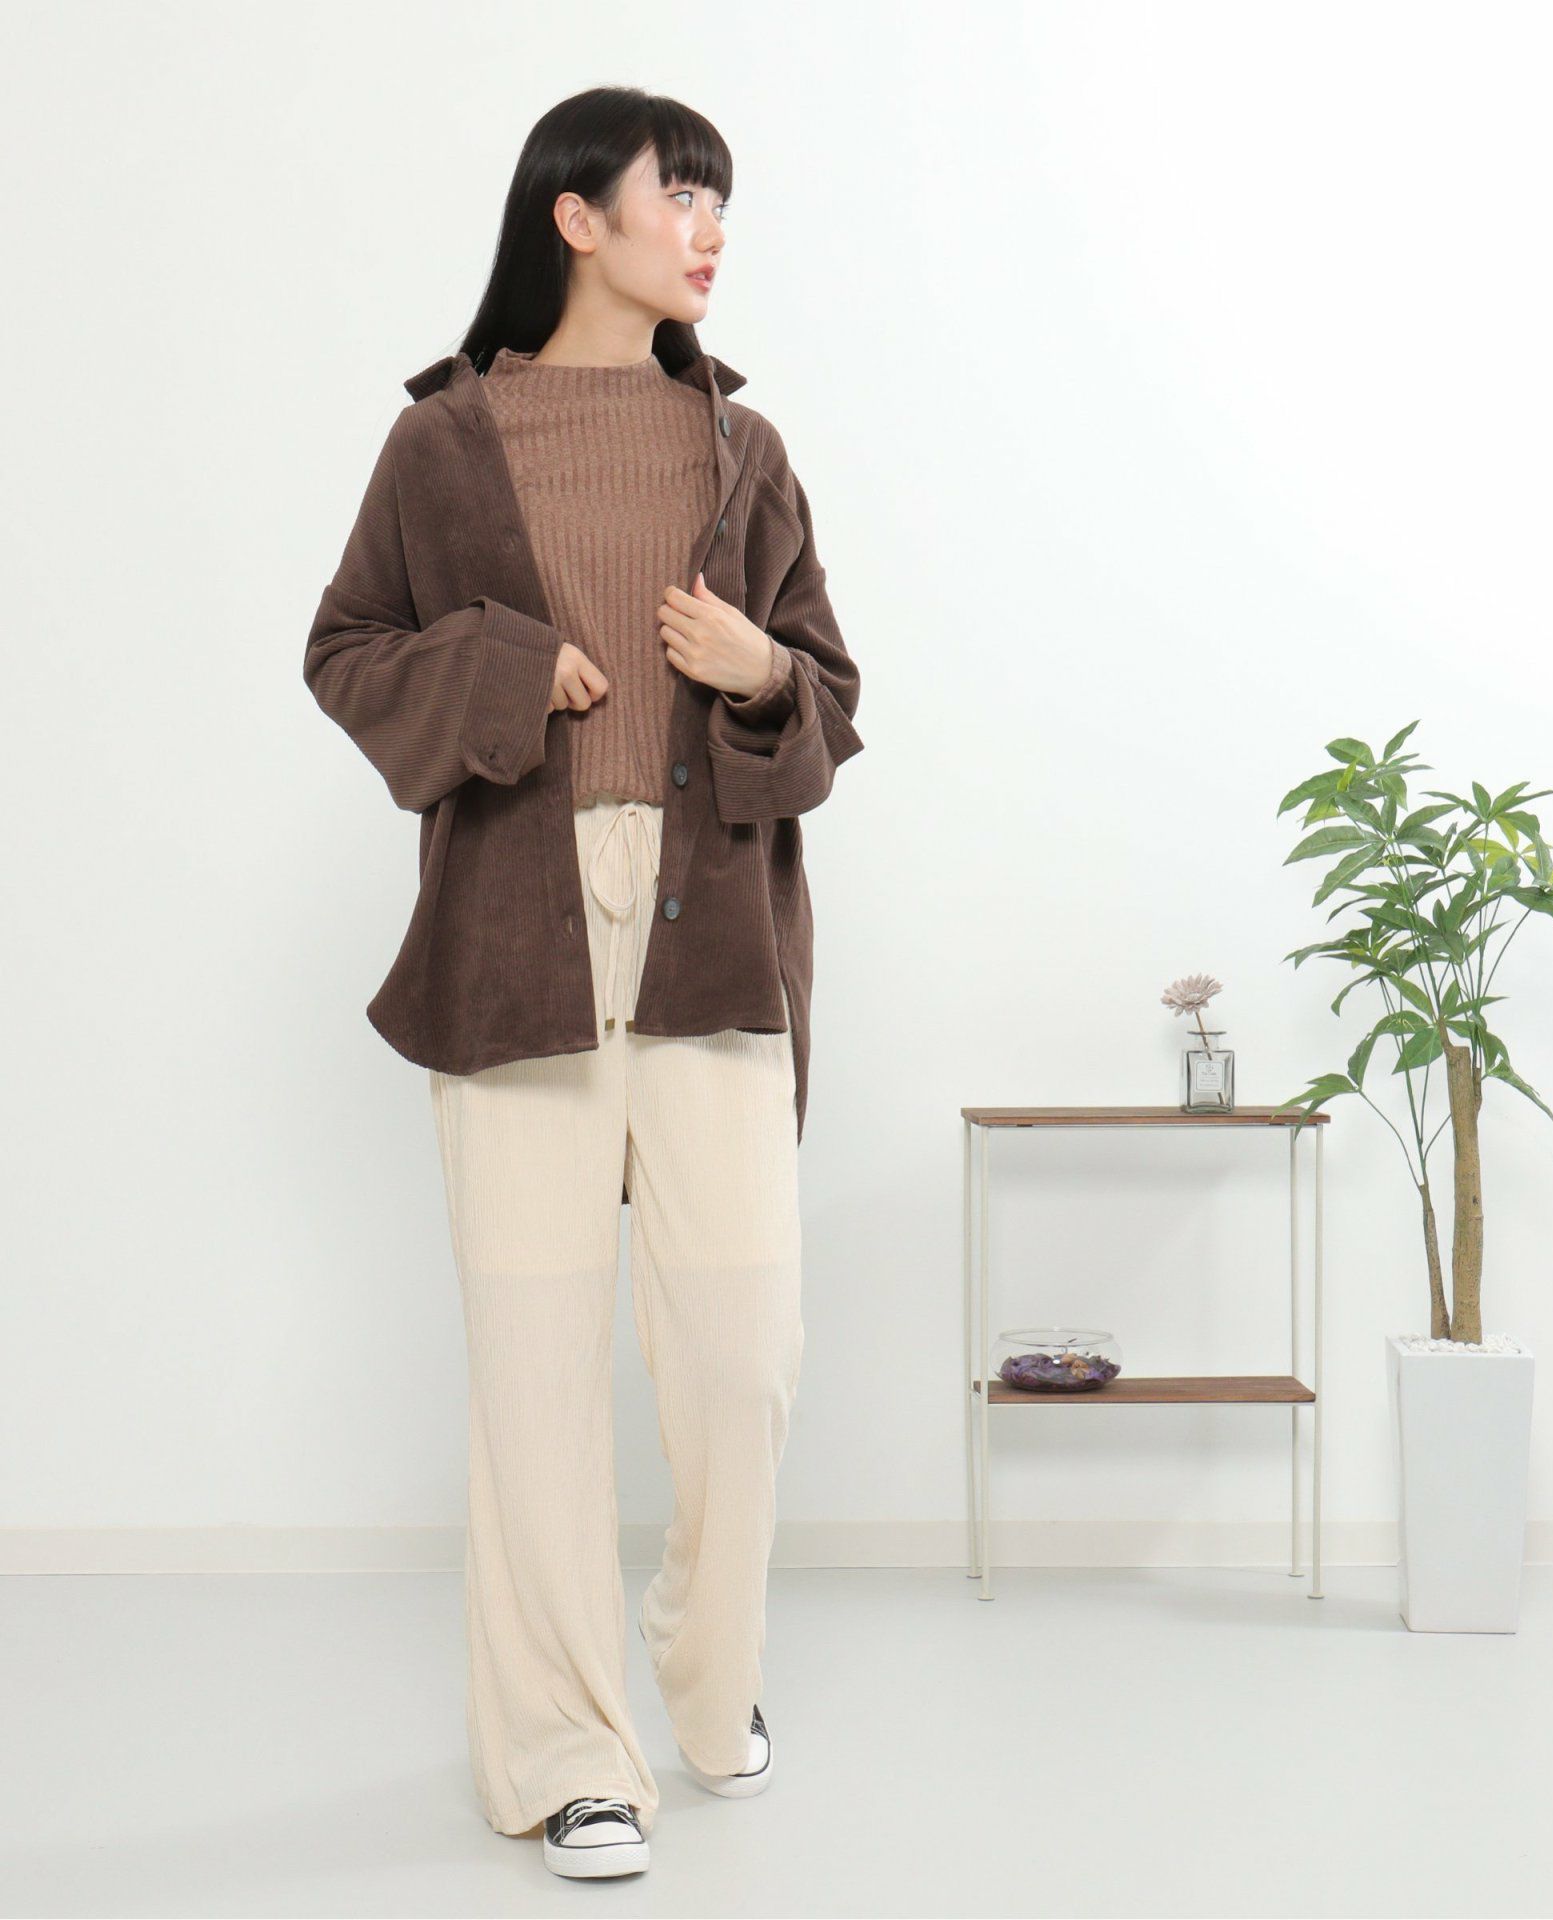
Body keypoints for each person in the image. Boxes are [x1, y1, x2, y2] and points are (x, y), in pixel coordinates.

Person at [302, 85, 864, 1880]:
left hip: (712, 936)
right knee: (535, 1373)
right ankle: (568, 1759)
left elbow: (831, 704)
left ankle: (705, 1655)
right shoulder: (446, 443)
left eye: (720, 201)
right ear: (575, 216)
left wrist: (761, 668)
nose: (708, 228)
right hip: (519, 939)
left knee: (744, 1357)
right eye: (677, 193)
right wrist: (498, 667)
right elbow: (346, 649)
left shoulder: (741, 448)